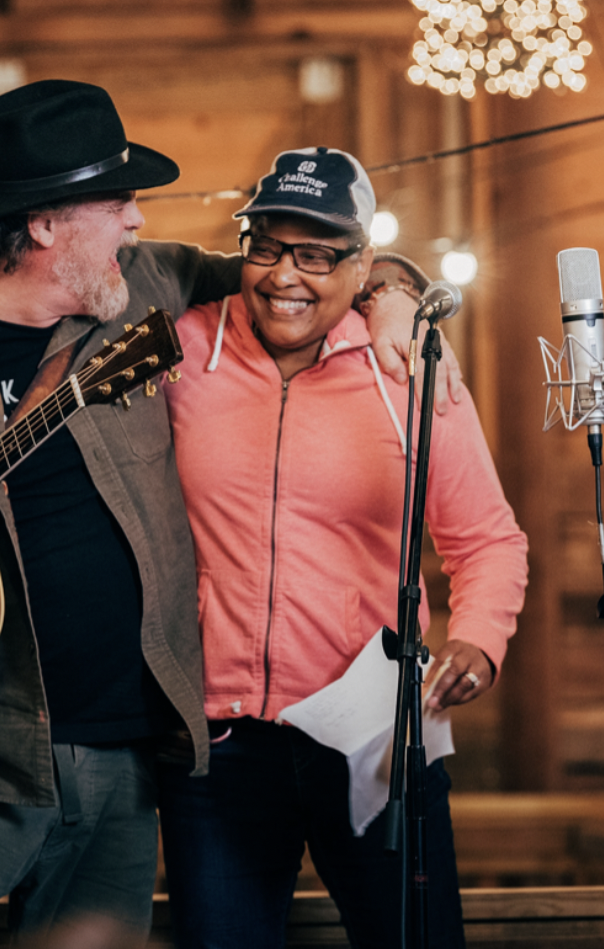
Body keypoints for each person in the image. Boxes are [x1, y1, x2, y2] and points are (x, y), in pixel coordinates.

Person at [0, 84, 435, 949]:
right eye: (117, 201)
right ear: (46, 222)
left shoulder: (153, 288)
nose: (138, 221)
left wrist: (398, 291)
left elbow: (302, 273)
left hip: (127, 767)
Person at [156, 147, 530, 949]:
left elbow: (487, 538)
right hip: (220, 749)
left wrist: (480, 638)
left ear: (362, 266)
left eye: (318, 254)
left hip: (376, 735)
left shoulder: (408, 368)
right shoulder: (182, 355)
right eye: (265, 246)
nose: (284, 274)